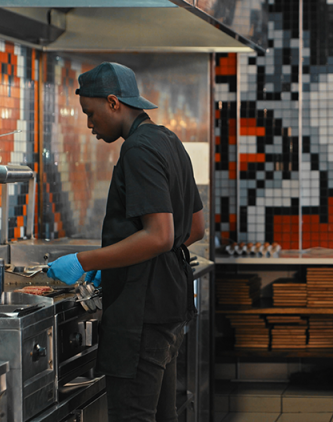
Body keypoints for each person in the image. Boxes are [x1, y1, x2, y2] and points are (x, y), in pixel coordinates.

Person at [45, 62, 205, 422]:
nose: (89, 124)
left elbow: (160, 235)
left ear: (114, 102)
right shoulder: (168, 140)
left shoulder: (137, 150)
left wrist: (87, 260)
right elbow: (194, 228)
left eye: (91, 113)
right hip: (167, 307)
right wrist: (120, 261)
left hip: (140, 315)